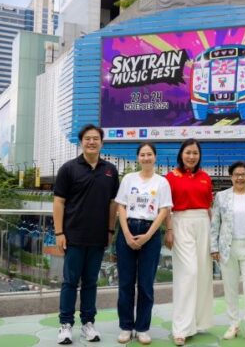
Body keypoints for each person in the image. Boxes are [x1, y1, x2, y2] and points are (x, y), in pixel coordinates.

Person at [53, 124, 119, 345]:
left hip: (98, 237)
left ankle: (88, 324)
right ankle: (65, 326)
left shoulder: (110, 170)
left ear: (102, 142)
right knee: (70, 282)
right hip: (73, 236)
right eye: (87, 139)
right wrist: (59, 232)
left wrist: (110, 230)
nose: (92, 142)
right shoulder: (68, 168)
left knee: (91, 282)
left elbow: (113, 204)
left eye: (96, 138)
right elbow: (59, 202)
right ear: (81, 142)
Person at [115, 143, 173, 345]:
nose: (146, 157)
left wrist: (148, 235)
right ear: (138, 158)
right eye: (142, 154)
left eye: (149, 154)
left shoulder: (162, 182)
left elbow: (164, 210)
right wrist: (127, 234)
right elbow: (121, 206)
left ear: (155, 157)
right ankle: (126, 326)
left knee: (146, 284)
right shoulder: (128, 179)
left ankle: (142, 328)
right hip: (127, 229)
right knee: (126, 283)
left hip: (151, 232)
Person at [210, 161, 245, 345]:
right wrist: (214, 247)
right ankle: (233, 324)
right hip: (228, 248)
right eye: (236, 174)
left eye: (243, 174)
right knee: (230, 288)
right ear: (231, 176)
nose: (240, 177)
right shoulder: (221, 197)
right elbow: (215, 224)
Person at [164, 138, 214, 345]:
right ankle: (181, 328)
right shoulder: (170, 177)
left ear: (199, 155)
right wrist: (168, 229)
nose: (191, 156)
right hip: (180, 222)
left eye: (195, 153)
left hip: (203, 223)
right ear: (181, 154)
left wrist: (215, 234)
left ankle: (198, 322)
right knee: (188, 273)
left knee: (202, 274)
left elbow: (209, 206)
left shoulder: (205, 177)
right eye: (188, 152)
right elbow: (166, 207)